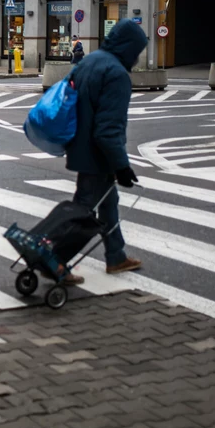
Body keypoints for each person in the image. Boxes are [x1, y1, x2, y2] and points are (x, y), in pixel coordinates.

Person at [66, 19, 146, 276]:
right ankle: (55, 257)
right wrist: (121, 165)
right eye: (137, 51)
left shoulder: (89, 61)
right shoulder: (116, 74)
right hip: (97, 155)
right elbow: (107, 129)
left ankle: (115, 255)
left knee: (108, 202)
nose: (137, 58)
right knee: (85, 209)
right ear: (128, 47)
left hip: (80, 145)